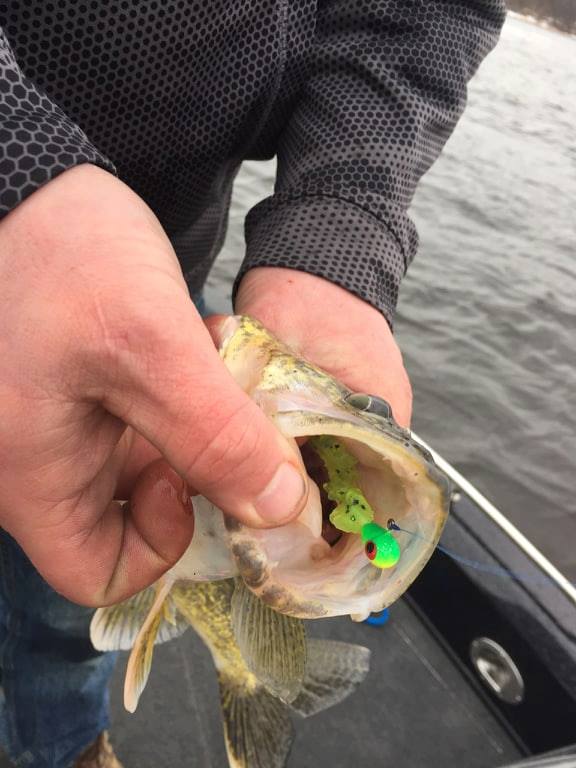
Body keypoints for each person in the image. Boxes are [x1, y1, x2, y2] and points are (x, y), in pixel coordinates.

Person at [0, 2, 506, 766]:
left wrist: (338, 240)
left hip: (175, 280)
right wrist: (16, 169)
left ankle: (67, 746)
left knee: (76, 601)